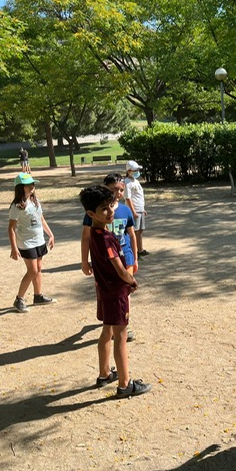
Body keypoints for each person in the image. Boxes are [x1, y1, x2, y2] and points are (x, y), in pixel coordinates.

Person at [79, 185, 152, 398]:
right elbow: (120, 269)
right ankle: (124, 384)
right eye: (104, 209)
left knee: (107, 331)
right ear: (91, 213)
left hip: (104, 291)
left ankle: (104, 373)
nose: (110, 211)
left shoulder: (95, 234)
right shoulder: (106, 237)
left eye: (111, 206)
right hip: (115, 293)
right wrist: (132, 281)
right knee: (120, 336)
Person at [81, 173, 138, 342]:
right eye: (114, 189)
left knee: (125, 291)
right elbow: (86, 237)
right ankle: (114, 323)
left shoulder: (125, 210)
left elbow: (131, 235)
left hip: (125, 256)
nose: (118, 193)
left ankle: (123, 323)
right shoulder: (96, 211)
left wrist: (135, 258)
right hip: (107, 261)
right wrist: (84, 261)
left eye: (121, 189)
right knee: (110, 292)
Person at [8, 172, 56, 313]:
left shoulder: (35, 201)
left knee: (39, 268)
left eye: (32, 184)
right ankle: (19, 299)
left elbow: (41, 219)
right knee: (32, 270)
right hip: (26, 243)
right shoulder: (17, 206)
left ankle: (38, 296)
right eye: (28, 184)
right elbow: (11, 228)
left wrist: (51, 234)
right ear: (20, 187)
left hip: (39, 240)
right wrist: (14, 248)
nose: (32, 186)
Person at [124, 160, 148, 257]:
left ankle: (140, 250)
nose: (137, 172)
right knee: (133, 231)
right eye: (135, 170)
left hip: (140, 209)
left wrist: (143, 209)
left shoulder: (136, 181)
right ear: (129, 171)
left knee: (140, 230)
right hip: (134, 210)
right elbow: (128, 198)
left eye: (138, 170)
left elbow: (139, 196)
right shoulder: (127, 182)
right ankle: (132, 252)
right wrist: (133, 211)